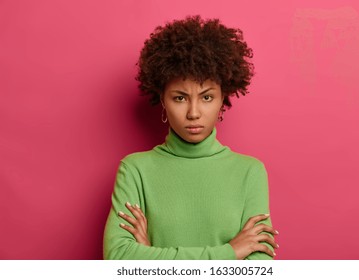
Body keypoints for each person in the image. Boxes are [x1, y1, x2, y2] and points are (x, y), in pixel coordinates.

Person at [103, 15, 279, 260]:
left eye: (206, 97)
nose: (193, 113)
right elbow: (119, 258)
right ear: (162, 99)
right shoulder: (135, 170)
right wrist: (230, 252)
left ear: (223, 99)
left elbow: (258, 267)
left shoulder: (250, 171)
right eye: (180, 98)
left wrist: (152, 255)